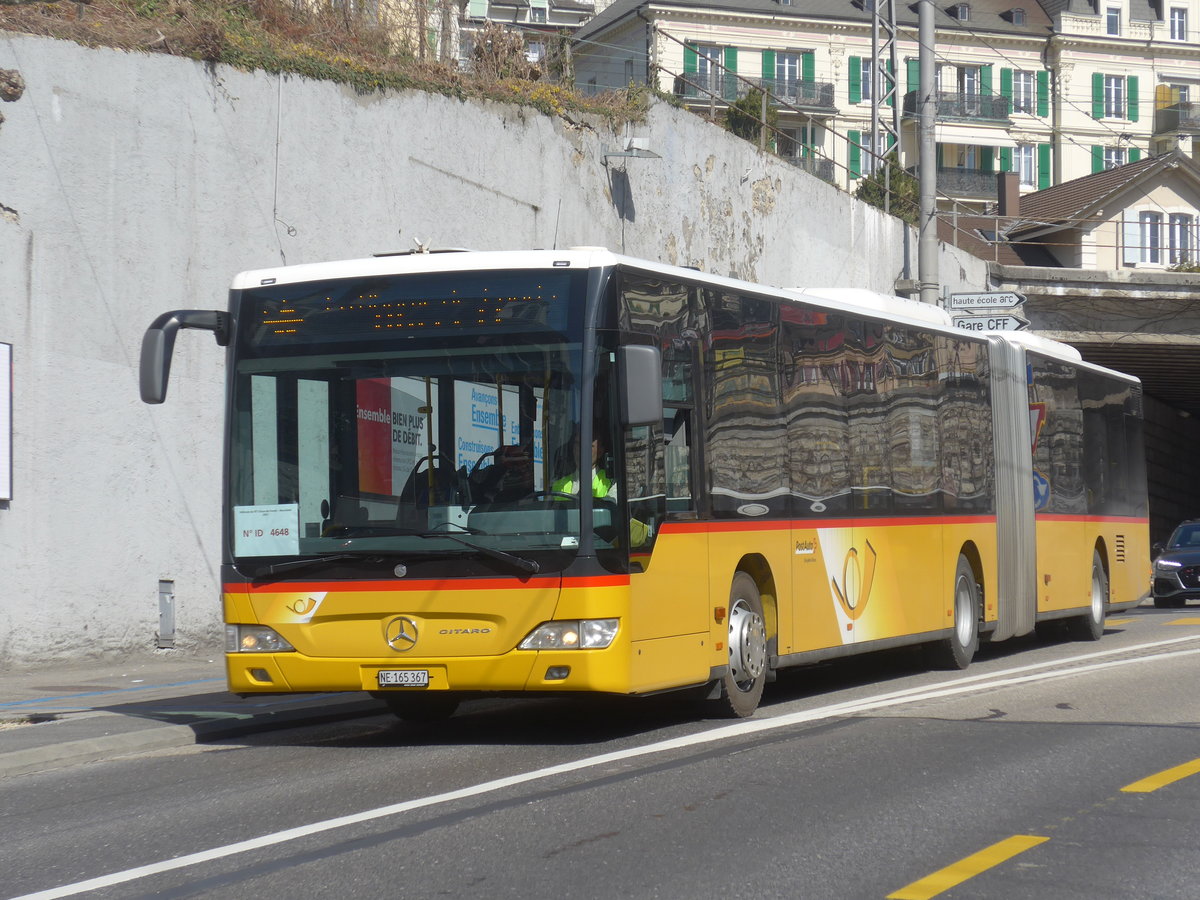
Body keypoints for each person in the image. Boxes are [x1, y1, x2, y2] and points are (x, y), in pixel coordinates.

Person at [551, 432, 649, 547]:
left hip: (601, 548)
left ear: (600, 452)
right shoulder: (558, 485)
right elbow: (549, 521)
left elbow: (613, 522)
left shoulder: (611, 482)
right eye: (578, 444)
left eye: (589, 446)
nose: (582, 450)